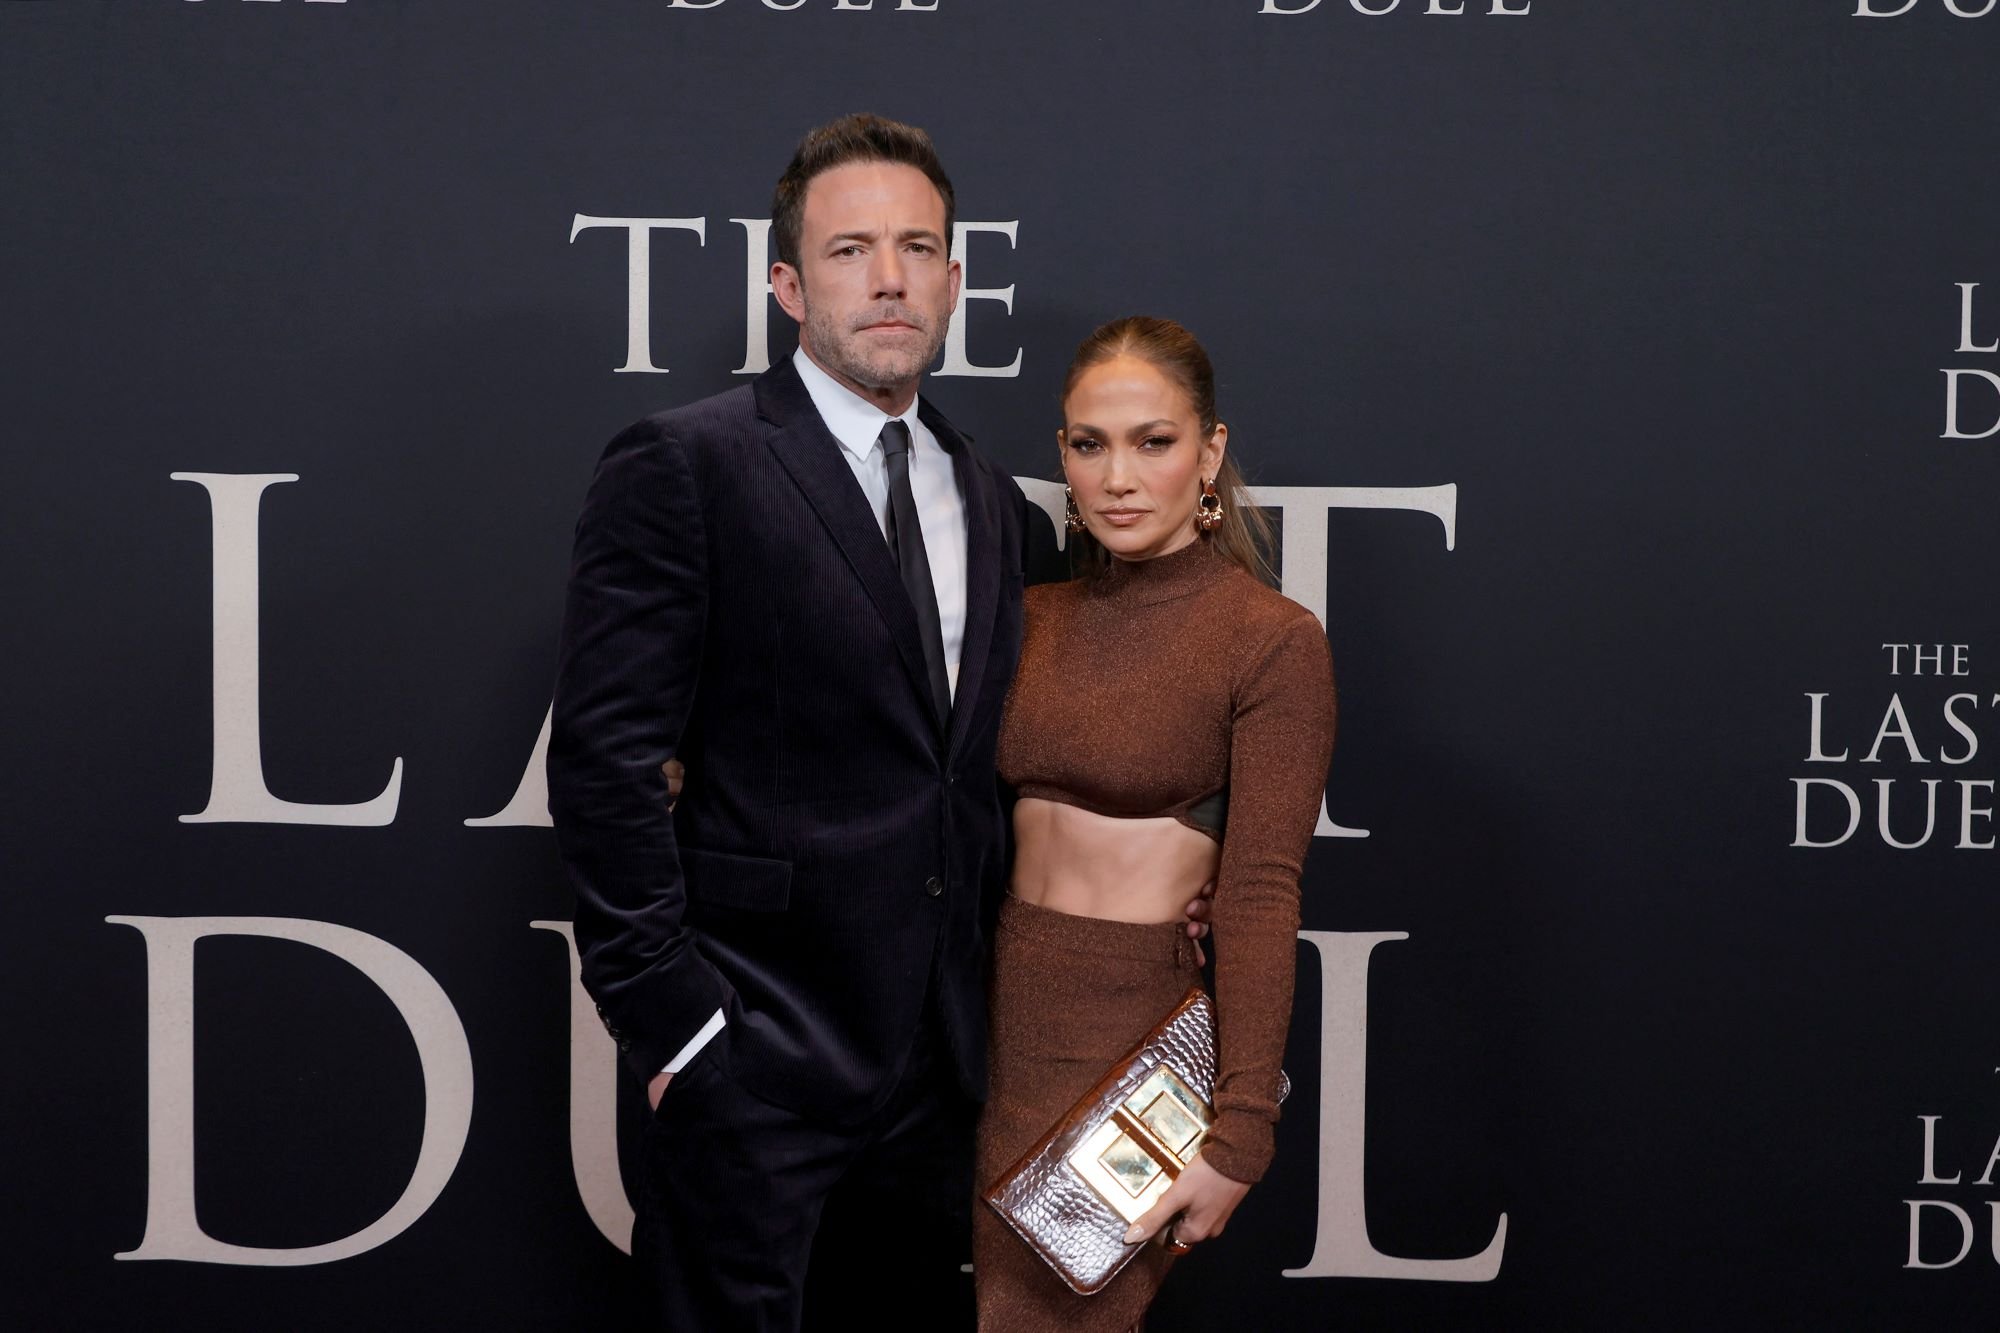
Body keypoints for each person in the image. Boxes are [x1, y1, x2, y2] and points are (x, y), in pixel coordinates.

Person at [546, 116, 1206, 1332]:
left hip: (947, 1075)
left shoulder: (1002, 509)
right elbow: (602, 766)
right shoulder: (686, 467)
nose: (890, 277)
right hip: (753, 1060)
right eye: (851, 249)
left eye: (918, 247)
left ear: (956, 279)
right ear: (788, 283)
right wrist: (681, 1030)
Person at [974, 316, 1338, 1331]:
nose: (1118, 476)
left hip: (1124, 1042)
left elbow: (1261, 892)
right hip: (985, 1028)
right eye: (1089, 444)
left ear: (1208, 451)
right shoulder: (1027, 617)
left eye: (1154, 441)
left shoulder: (1268, 641)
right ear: (1061, 456)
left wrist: (1240, 1136)